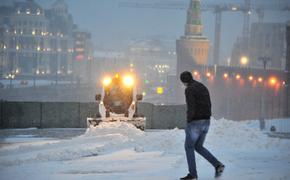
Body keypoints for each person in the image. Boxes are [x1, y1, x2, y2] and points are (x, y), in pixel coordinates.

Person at [179, 71, 225, 180]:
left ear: (184, 81)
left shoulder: (189, 89)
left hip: (196, 122)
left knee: (189, 147)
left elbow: (191, 106)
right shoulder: (202, 86)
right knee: (198, 147)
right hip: (206, 121)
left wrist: (189, 121)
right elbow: (208, 103)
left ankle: (193, 175)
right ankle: (217, 165)